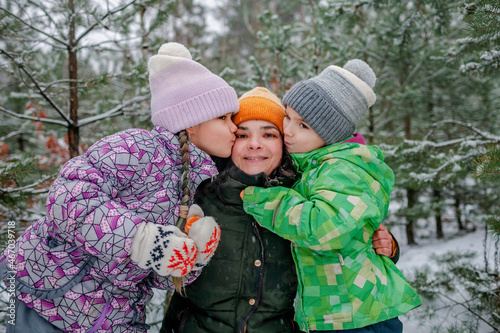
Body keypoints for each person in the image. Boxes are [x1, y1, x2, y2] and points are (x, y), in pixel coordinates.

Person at [0, 42, 239, 333]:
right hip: (51, 300)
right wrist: (141, 238)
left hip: (113, 320)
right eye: (224, 117)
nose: (234, 128)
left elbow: (155, 277)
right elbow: (68, 199)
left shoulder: (197, 182)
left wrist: (191, 259)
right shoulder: (136, 148)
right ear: (190, 124)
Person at [160, 87, 401, 333]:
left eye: (269, 135)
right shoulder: (197, 195)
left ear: (284, 143)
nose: (254, 144)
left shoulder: (306, 200)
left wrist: (385, 246)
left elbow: (341, 249)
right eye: (242, 135)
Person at [241, 61, 422, 332]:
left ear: (330, 135)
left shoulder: (345, 169)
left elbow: (323, 227)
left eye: (303, 126)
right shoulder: (315, 165)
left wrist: (264, 200)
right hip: (337, 314)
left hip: (358, 316)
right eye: (288, 117)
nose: (287, 130)